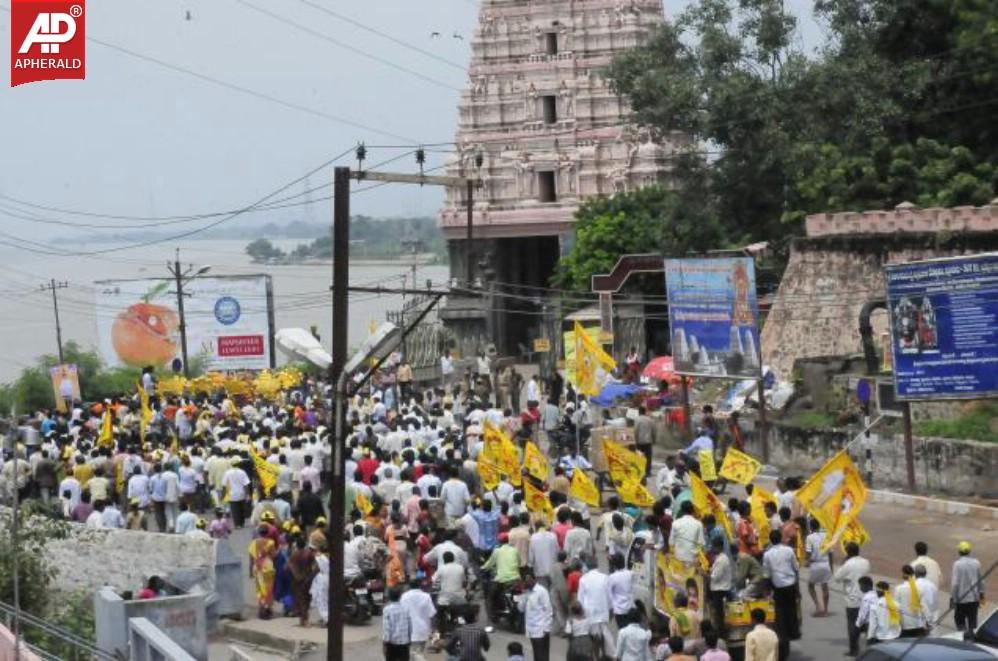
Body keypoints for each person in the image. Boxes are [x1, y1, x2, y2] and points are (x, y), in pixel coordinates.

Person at [761, 530, 798, 661]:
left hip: (778, 588)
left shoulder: (767, 554)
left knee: (780, 616)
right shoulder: (789, 550)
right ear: (781, 538)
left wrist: (766, 591)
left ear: (771, 540)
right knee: (792, 614)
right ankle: (792, 633)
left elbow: (766, 575)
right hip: (791, 586)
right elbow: (796, 568)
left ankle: (783, 638)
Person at [833, 542, 870, 657]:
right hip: (865, 597)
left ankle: (854, 649)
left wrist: (844, 562)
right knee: (864, 622)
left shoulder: (848, 565)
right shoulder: (866, 562)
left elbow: (837, 577)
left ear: (847, 553)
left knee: (852, 625)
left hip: (853, 600)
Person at [577, 555, 615, 659]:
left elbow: (580, 600)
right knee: (605, 639)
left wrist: (581, 617)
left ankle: (596, 657)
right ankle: (604, 657)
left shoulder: (583, 579)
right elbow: (610, 598)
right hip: (603, 613)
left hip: (589, 614)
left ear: (586, 566)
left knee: (593, 639)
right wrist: (611, 611)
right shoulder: (605, 578)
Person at [518, 568, 553, 661]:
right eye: (526, 580)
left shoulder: (542, 591)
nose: (527, 582)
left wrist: (546, 629)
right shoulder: (527, 593)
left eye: (529, 580)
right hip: (531, 630)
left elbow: (548, 611)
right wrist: (523, 594)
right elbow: (520, 609)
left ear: (534, 579)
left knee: (542, 656)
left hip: (541, 630)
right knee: (537, 655)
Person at [399, 578, 436, 661]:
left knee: (415, 653)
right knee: (418, 652)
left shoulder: (404, 596)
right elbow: (432, 613)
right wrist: (433, 629)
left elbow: (401, 613)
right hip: (424, 629)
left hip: (409, 629)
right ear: (420, 585)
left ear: (409, 586)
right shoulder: (426, 596)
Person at [951, 540, 984, 634]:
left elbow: (955, 584)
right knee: (972, 623)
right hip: (974, 599)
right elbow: (981, 580)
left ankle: (963, 638)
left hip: (961, 600)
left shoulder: (957, 564)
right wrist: (981, 594)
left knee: (959, 621)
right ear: (969, 551)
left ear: (959, 551)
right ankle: (971, 639)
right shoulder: (976, 563)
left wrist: (953, 598)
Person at [248, 525, 277, 619]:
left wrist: (250, 571)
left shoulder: (253, 543)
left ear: (259, 533)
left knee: (260, 589)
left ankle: (261, 610)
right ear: (267, 533)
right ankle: (267, 609)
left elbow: (251, 558)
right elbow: (273, 556)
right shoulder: (270, 543)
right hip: (268, 567)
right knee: (268, 589)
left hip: (257, 568)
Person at [804, 517, 832, 616]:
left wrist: (806, 561)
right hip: (826, 563)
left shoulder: (809, 537)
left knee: (811, 586)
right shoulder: (827, 536)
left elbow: (808, 552)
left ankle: (818, 606)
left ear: (810, 527)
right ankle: (826, 610)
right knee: (825, 587)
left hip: (815, 564)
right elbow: (830, 553)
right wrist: (831, 567)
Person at [287, 536, 317, 626]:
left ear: (297, 545)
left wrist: (296, 575)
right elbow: (316, 565)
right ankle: (304, 619)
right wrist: (312, 575)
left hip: (297, 580)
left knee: (300, 599)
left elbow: (288, 566)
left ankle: (303, 620)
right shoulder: (309, 554)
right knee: (306, 599)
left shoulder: (294, 555)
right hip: (308, 578)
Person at [894, 564, 928, 638]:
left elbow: (896, 608)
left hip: (904, 625)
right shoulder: (919, 589)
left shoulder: (898, 589)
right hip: (918, 625)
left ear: (903, 574)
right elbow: (924, 608)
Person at [708, 536, 732, 633]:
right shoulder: (719, 558)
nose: (712, 549)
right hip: (718, 590)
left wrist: (703, 574)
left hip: (720, 590)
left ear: (719, 547)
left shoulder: (721, 560)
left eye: (713, 547)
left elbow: (714, 577)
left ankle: (721, 633)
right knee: (718, 614)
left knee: (719, 615)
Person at [381, 587, 412, 661]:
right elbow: (410, 625)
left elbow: (386, 628)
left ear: (389, 597)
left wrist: (385, 642)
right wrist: (409, 638)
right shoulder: (406, 608)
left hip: (392, 642)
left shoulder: (387, 609)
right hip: (404, 642)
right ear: (400, 596)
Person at [607, 554, 635, 628]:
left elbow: (609, 594)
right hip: (630, 606)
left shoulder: (612, 577)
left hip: (619, 609)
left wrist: (612, 607)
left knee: (622, 630)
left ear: (614, 565)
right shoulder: (630, 574)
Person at [309, 550, 329, 626]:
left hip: (321, 580)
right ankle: (326, 617)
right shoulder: (325, 557)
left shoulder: (318, 558)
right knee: (325, 600)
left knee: (321, 600)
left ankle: (326, 619)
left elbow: (315, 569)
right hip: (327, 578)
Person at [634, 406, 654, 477]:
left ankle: (641, 471)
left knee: (639, 456)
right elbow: (653, 430)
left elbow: (635, 431)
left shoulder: (637, 420)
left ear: (639, 412)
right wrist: (654, 439)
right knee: (648, 457)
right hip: (648, 441)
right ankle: (648, 472)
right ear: (645, 411)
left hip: (639, 441)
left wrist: (635, 440)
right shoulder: (649, 420)